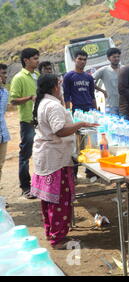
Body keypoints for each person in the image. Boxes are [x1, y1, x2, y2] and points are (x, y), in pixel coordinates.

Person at [30, 74, 97, 249]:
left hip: (46, 156)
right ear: (54, 87)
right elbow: (59, 130)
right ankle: (57, 239)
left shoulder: (41, 102)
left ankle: (51, 231)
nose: (61, 89)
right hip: (55, 158)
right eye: (59, 85)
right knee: (59, 200)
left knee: (49, 199)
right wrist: (80, 124)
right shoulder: (52, 105)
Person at [10, 48, 40, 199]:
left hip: (41, 121)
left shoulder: (38, 75)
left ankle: (40, 184)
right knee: (25, 155)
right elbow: (13, 100)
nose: (37, 60)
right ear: (26, 60)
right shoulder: (19, 78)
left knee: (41, 153)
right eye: (35, 58)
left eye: (37, 58)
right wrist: (29, 98)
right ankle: (26, 187)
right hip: (28, 121)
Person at [93, 48, 121, 115]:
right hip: (111, 105)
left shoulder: (124, 69)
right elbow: (90, 81)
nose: (116, 58)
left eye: (118, 57)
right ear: (108, 58)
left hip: (124, 105)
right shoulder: (104, 70)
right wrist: (103, 91)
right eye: (114, 57)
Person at [0, 64, 10, 207]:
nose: (5, 76)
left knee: (0, 166)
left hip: (3, 134)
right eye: (2, 73)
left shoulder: (5, 93)